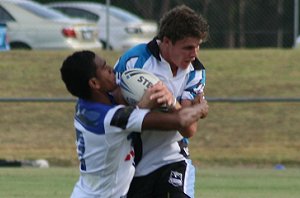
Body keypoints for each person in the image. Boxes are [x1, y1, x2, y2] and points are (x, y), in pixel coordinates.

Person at [60, 50, 208, 198]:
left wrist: (141, 104)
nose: (111, 69)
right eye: (104, 68)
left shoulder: (85, 103)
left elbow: (124, 111)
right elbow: (180, 121)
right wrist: (200, 108)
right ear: (94, 83)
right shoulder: (112, 118)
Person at [114, 5, 209, 198]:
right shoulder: (134, 61)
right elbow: (114, 112)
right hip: (134, 160)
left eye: (197, 46)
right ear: (166, 42)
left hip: (172, 156)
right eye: (188, 47)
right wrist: (143, 106)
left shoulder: (196, 72)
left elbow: (188, 129)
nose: (194, 54)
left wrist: (170, 101)